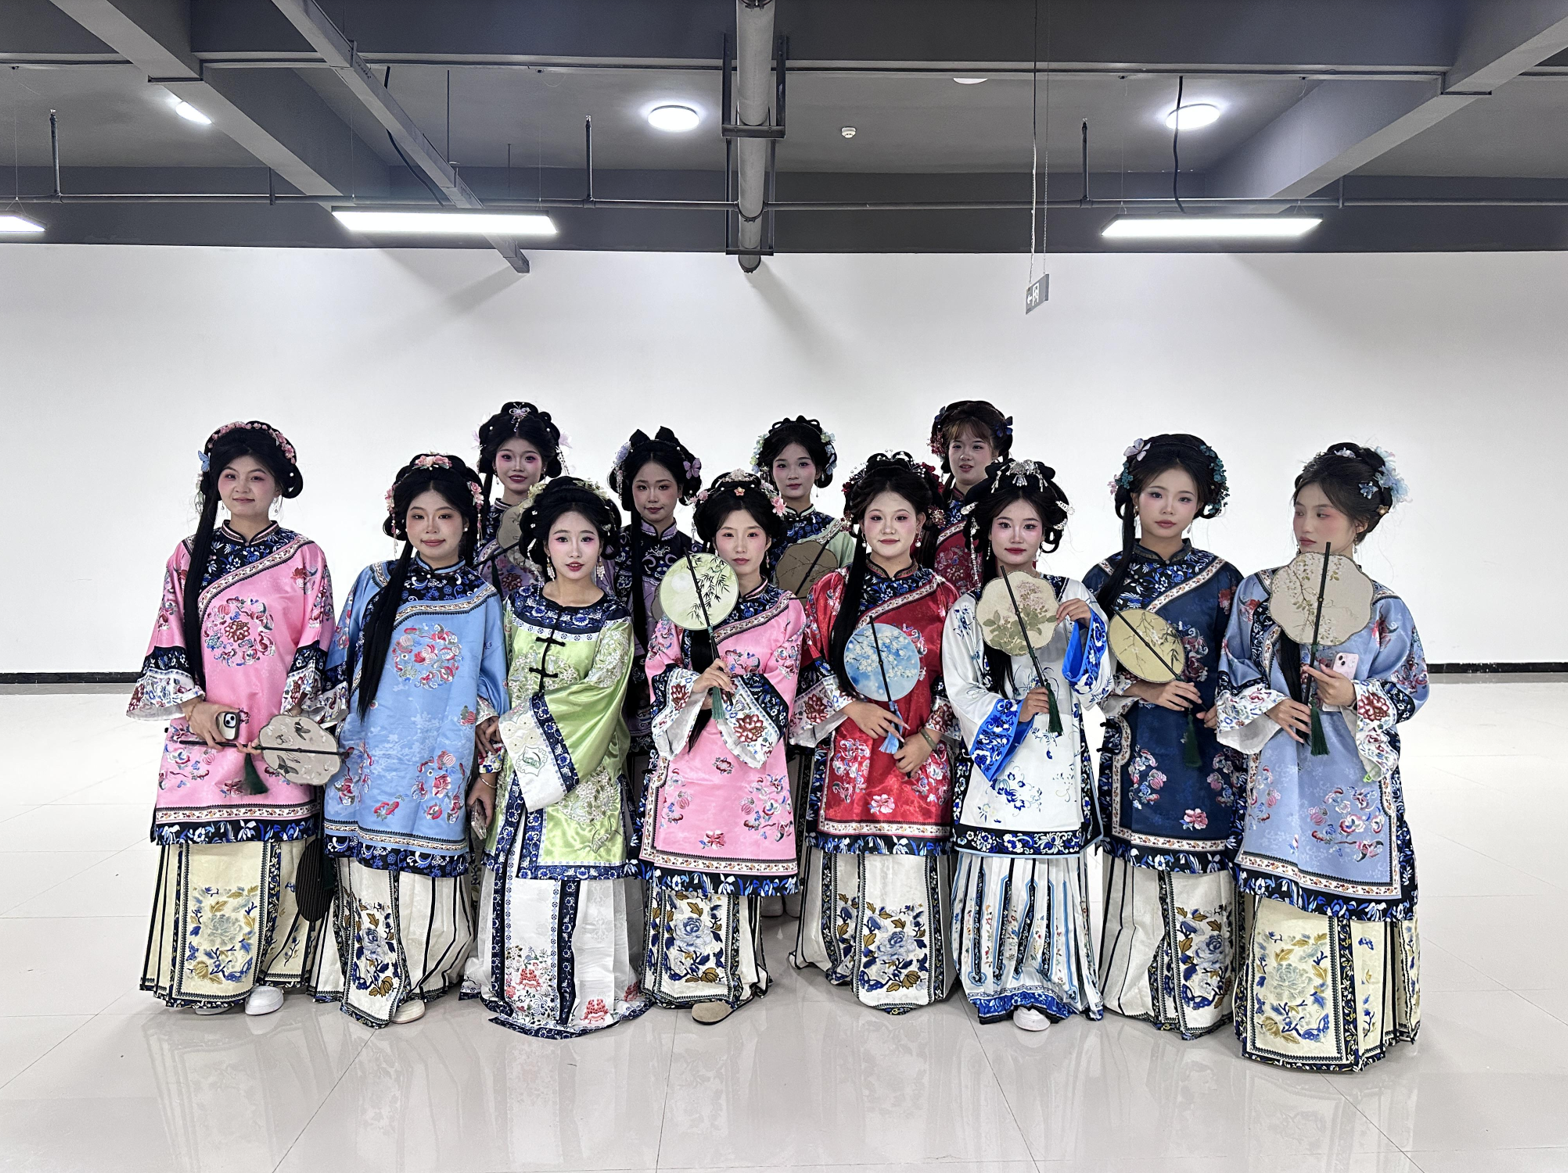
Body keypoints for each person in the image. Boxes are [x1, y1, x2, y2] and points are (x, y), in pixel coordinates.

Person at [1216, 443, 1427, 1071]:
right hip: (1281, 768)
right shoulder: (1258, 594)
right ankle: (1278, 1026)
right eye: (1300, 510)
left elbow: (1410, 687)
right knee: (1282, 878)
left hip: (1351, 778)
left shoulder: (1385, 609)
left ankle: (1360, 1028)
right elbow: (1232, 671)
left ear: (1361, 523)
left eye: (1323, 513)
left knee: (1351, 873)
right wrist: (1269, 704)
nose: (1306, 526)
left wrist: (1353, 695)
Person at [131, 421, 335, 1016]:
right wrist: (192, 707)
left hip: (277, 732)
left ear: (280, 485)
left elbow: (317, 642)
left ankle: (273, 970)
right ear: (213, 483)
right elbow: (168, 634)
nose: (242, 487)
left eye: (257, 477)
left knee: (281, 850)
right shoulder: (188, 556)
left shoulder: (304, 557)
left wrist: (291, 721)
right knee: (212, 849)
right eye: (230, 476)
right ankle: (209, 973)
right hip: (207, 729)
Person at [311, 454, 508, 1027]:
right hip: (368, 756)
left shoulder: (482, 600)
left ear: (467, 520)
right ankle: (363, 974)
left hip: (440, 761)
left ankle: (420, 973)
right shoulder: (373, 582)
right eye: (418, 515)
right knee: (366, 870)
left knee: (426, 871)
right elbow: (340, 664)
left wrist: (486, 771)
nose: (431, 528)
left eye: (444, 515)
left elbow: (493, 697)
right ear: (401, 520)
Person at [465, 476, 649, 1037]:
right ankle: (516, 985)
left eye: (586, 538)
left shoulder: (615, 621)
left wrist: (515, 727)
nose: (574, 551)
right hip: (516, 777)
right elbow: (494, 688)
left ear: (602, 545)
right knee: (519, 879)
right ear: (542, 543)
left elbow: (601, 699)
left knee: (576, 879)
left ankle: (589, 993)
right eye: (562, 538)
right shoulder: (515, 609)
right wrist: (489, 771)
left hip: (584, 781)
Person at [942, 459, 1113, 1030]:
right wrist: (1013, 710)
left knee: (1051, 871)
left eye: (1030, 525)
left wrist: (1088, 630)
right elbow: (961, 689)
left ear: (1046, 532)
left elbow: (1096, 688)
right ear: (987, 531)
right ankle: (993, 978)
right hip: (1000, 767)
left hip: (1056, 763)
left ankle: (1048, 982)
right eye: (1005, 524)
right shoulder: (967, 609)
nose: (1017, 536)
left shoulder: (1072, 596)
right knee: (997, 867)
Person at [1085, 435, 1246, 1039]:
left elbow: (1243, 662)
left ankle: (1203, 996)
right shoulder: (1104, 579)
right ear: (1134, 497)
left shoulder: (1224, 580)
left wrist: (1228, 706)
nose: (1169, 508)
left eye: (1184, 497)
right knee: (1138, 865)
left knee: (1206, 862)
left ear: (1202, 503)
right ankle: (1129, 988)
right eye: (1156, 494)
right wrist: (1143, 690)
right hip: (1139, 745)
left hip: (1208, 748)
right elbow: (1084, 673)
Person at [791, 452, 958, 1013]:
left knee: (910, 855)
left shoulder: (944, 598)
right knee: (849, 851)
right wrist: (849, 708)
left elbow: (960, 682)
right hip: (851, 748)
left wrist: (929, 738)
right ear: (859, 522)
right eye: (876, 517)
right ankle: (843, 954)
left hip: (916, 753)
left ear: (922, 522)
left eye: (901, 517)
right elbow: (808, 663)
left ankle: (910, 968)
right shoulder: (832, 590)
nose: (888, 529)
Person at [640, 470, 806, 1023]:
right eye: (728, 534)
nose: (740, 546)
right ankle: (671, 974)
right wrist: (693, 686)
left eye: (752, 533)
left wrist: (722, 693)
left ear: (768, 539)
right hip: (688, 759)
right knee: (686, 864)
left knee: (732, 866)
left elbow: (783, 684)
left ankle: (730, 976)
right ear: (711, 539)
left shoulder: (787, 610)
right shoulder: (684, 606)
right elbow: (658, 669)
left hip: (748, 765)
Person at [751, 414, 855, 916]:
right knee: (767, 763)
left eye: (803, 463)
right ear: (768, 470)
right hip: (765, 661)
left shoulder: (840, 534)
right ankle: (767, 880)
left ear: (819, 469)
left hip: (818, 660)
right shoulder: (756, 525)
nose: (792, 474)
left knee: (810, 770)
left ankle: (804, 890)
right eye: (782, 464)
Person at [605, 427, 704, 839]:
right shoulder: (609, 552)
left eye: (663, 486)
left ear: (680, 488)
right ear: (628, 490)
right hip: (621, 690)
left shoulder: (700, 556)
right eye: (642, 487)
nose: (652, 497)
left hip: (680, 690)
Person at [474, 400, 565, 594]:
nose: (517, 467)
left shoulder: (558, 519)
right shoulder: (476, 522)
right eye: (507, 457)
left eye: (529, 458)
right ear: (493, 463)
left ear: (544, 465)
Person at [927, 401, 1013, 592]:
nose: (965, 455)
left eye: (977, 447)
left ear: (995, 452)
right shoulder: (929, 509)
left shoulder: (1011, 508)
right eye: (957, 446)